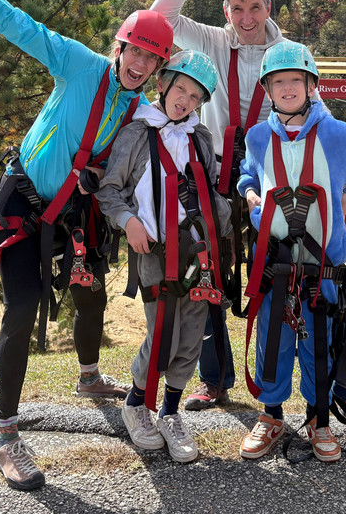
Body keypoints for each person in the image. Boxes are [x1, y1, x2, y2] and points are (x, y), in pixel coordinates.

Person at [0, 0, 174, 492]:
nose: (138, 62)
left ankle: (87, 377)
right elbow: (16, 24)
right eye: (133, 50)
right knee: (23, 309)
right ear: (118, 47)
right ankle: (7, 437)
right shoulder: (77, 64)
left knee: (90, 291)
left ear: (157, 66)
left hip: (73, 215)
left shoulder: (140, 111)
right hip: (24, 204)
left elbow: (181, 121)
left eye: (150, 57)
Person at [151, 0, 346, 446]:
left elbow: (321, 119)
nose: (245, 18)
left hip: (281, 180)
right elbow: (162, 17)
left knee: (320, 280)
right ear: (226, 9)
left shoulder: (287, 57)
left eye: (255, 7)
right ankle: (216, 379)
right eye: (237, 8)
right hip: (221, 173)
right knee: (210, 272)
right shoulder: (214, 41)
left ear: (269, 6)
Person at [237, 41, 346, 462]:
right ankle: (271, 417)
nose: (287, 87)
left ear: (311, 85)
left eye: (296, 80)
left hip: (321, 265)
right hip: (275, 262)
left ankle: (318, 419)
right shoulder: (257, 136)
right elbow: (248, 171)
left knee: (318, 342)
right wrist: (252, 195)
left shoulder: (337, 133)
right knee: (272, 341)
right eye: (278, 81)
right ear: (267, 89)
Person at [97, 49, 232, 463]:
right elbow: (111, 191)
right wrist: (127, 221)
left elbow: (209, 192)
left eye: (195, 97)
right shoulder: (137, 135)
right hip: (155, 249)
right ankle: (136, 403)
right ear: (162, 84)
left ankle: (171, 413)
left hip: (198, 251)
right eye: (181, 90)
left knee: (191, 336)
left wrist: (222, 220)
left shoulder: (200, 138)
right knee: (162, 336)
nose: (185, 101)